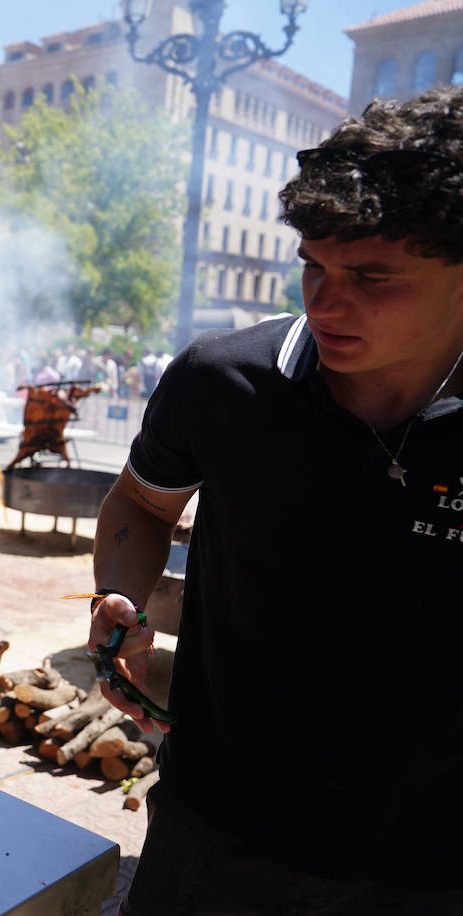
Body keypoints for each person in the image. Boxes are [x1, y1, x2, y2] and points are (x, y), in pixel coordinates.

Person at [90, 86, 463, 913]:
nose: (326, 302)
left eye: (373, 275)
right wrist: (119, 596)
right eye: (314, 266)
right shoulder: (224, 380)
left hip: (432, 866)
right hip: (218, 829)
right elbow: (141, 506)